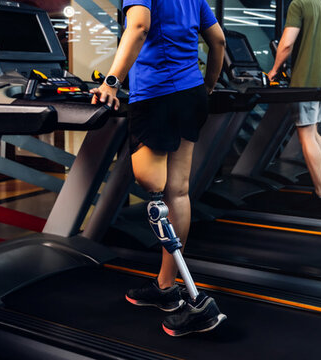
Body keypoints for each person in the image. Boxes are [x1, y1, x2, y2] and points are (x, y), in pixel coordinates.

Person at [90, 0, 226, 336]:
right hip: (191, 93)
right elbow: (219, 41)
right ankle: (166, 286)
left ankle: (194, 301)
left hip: (156, 94)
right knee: (177, 192)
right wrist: (208, 85)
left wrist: (111, 82)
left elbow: (139, 26)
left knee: (153, 189)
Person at [268, 0, 321, 211]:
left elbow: (286, 44)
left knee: (306, 136)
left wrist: (274, 70)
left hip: (306, 81)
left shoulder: (300, 3)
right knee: (313, 133)